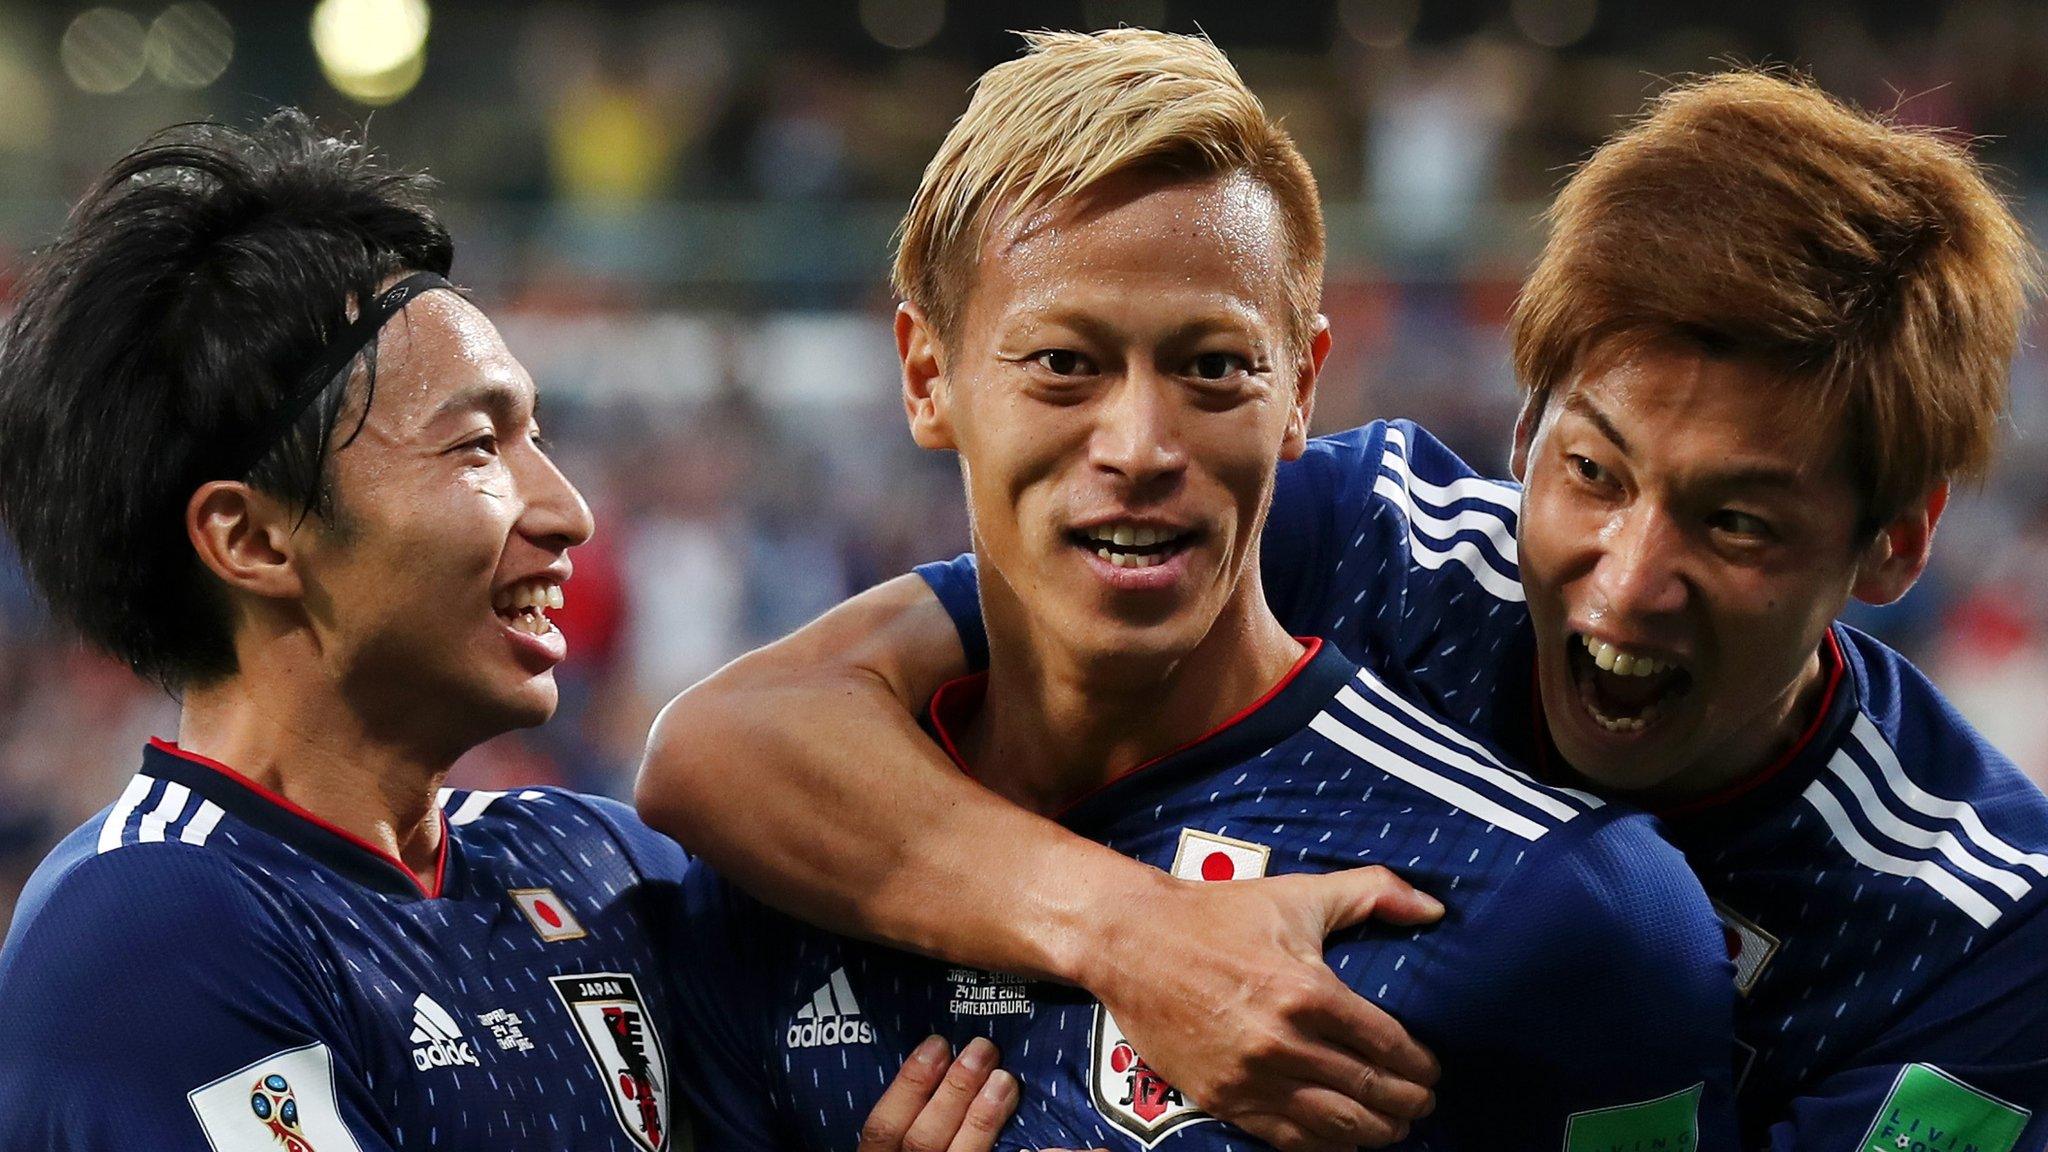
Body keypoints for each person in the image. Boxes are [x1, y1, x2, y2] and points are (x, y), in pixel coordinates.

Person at [639, 65, 2048, 1152]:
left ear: (1897, 542)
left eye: (1734, 523)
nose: (1629, 579)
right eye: (1592, 472)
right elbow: (737, 740)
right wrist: (1134, 932)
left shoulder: (1980, 935)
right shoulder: (1376, 538)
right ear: (1523, 432)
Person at [0, 113, 1027, 1152]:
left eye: (536, 433)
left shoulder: (587, 862)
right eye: (478, 445)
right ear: (254, 538)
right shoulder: (153, 927)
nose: (569, 509)